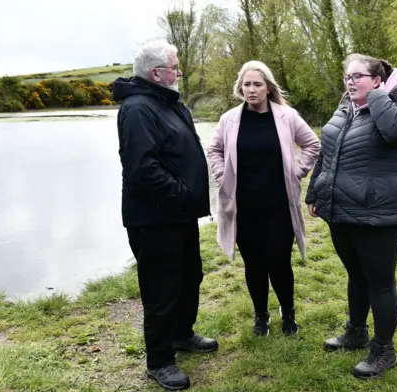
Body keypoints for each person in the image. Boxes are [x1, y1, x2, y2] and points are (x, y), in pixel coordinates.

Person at [305, 53, 397, 379]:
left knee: (381, 283)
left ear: (378, 80)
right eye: (347, 76)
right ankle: (356, 332)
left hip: (377, 213)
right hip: (340, 209)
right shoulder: (346, 108)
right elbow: (327, 153)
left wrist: (378, 96)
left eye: (358, 76)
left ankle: (384, 350)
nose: (350, 81)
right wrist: (315, 191)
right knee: (356, 275)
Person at [112, 39, 218, 391]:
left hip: (179, 214)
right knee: (161, 289)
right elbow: (143, 169)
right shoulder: (138, 108)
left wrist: (188, 200)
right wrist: (183, 195)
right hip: (155, 218)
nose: (180, 72)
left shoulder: (168, 103)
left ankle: (181, 335)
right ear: (157, 73)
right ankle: (159, 361)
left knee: (190, 276)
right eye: (175, 67)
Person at [207, 61, 320, 337]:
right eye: (247, 84)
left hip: (279, 206)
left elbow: (312, 144)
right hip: (244, 208)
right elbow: (214, 150)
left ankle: (288, 312)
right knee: (254, 264)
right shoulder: (230, 119)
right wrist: (223, 177)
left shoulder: (287, 116)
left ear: (268, 87)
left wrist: (296, 172)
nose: (252, 89)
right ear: (240, 88)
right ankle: (261, 315)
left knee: (280, 262)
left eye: (257, 84)